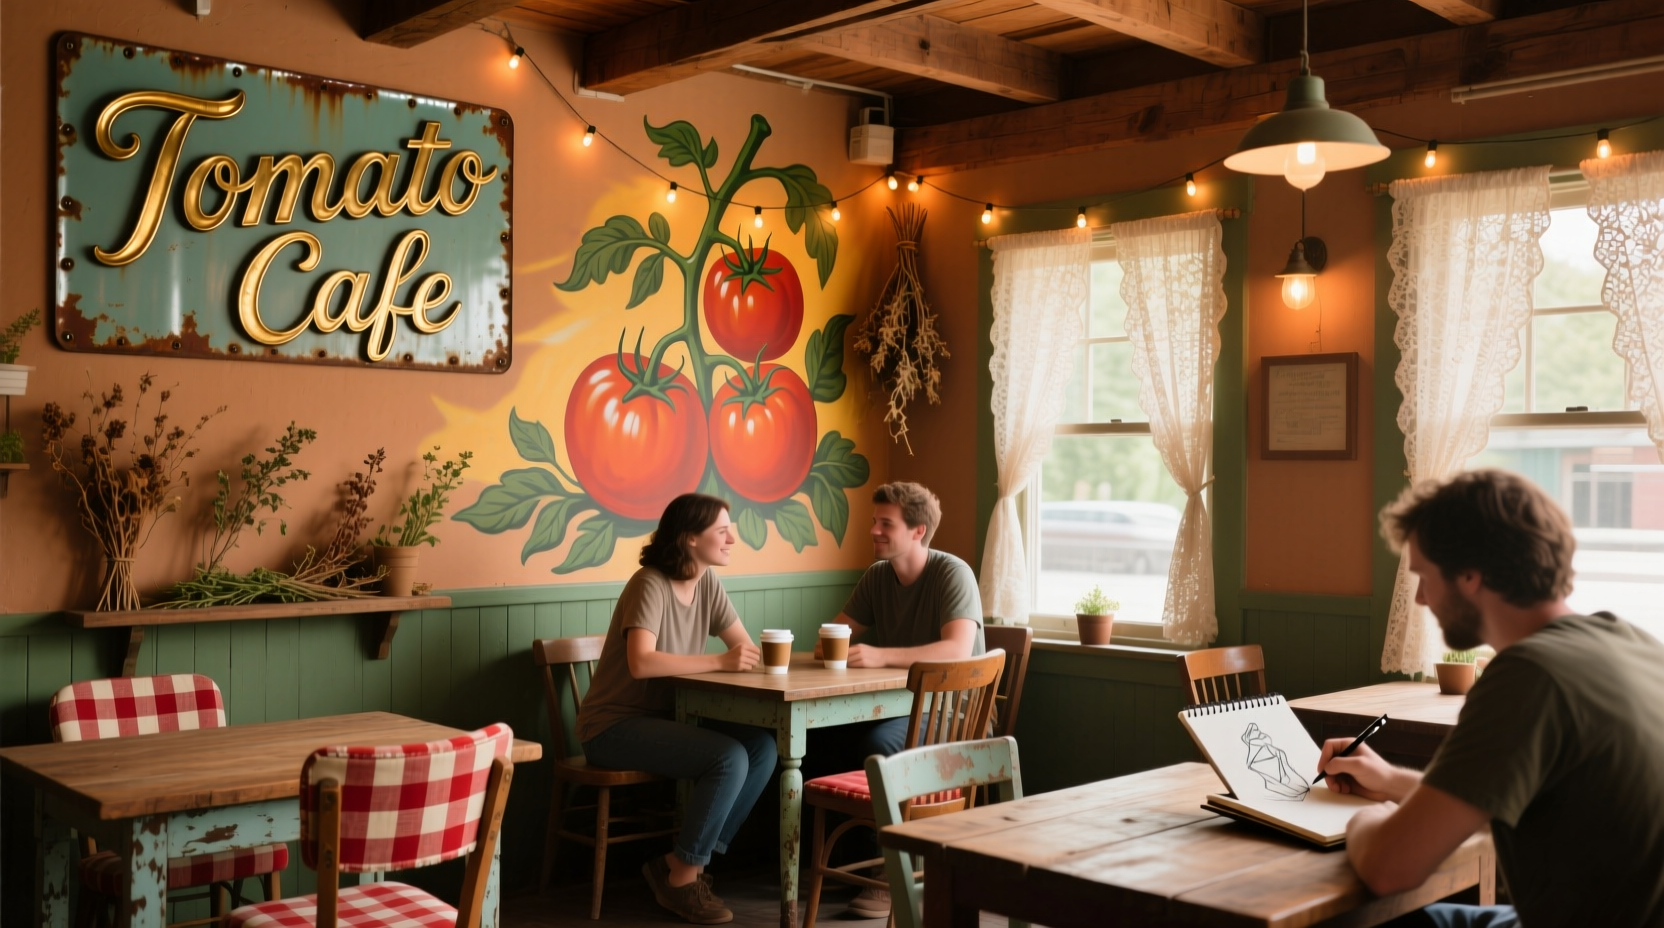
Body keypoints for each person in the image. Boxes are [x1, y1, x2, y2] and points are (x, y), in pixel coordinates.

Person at [1319, 469, 1664, 928]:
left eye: (1423, 575)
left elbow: (1389, 868)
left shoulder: (1528, 675)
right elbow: (1525, 802)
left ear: (1469, 574)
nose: (1420, 598)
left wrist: (1365, 823)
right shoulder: (1632, 643)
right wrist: (1390, 781)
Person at [575, 493, 777, 926]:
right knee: (728, 757)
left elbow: (742, 647)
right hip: (612, 726)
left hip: (668, 721)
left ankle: (680, 862)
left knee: (762, 746)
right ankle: (682, 880)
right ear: (688, 539)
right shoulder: (649, 582)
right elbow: (641, 662)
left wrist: (745, 657)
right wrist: (721, 662)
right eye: (722, 531)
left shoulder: (707, 583)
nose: (731, 539)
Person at [806, 481, 985, 918]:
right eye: (875, 521)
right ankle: (847, 865)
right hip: (901, 707)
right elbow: (838, 632)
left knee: (881, 747)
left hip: (954, 715)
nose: (874, 531)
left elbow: (957, 650)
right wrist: (829, 643)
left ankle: (892, 874)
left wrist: (880, 655)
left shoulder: (951, 572)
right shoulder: (878, 577)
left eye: (886, 524)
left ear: (918, 531)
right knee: (818, 742)